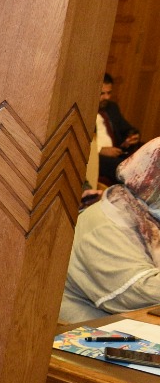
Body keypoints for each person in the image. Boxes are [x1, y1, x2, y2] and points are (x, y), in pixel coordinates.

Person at [61, 138, 160, 323]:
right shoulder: (107, 222)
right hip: (84, 331)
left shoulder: (148, 213)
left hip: (131, 325)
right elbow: (137, 293)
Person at [99, 73, 142, 185]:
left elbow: (127, 129)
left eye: (109, 93)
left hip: (117, 153)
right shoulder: (84, 110)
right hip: (95, 156)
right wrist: (100, 150)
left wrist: (131, 136)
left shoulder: (111, 107)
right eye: (102, 93)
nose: (107, 97)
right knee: (126, 167)